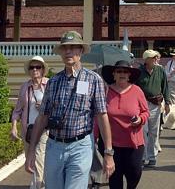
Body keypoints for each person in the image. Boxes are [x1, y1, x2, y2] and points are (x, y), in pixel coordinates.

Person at [26, 31, 114, 189]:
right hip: (54, 145)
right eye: (65, 48)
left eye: (73, 48)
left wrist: (108, 153)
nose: (68, 52)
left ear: (80, 51)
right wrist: (31, 150)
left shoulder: (94, 80)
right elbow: (42, 118)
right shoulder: (53, 82)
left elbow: (102, 116)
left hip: (80, 146)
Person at [101, 60, 149, 189]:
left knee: (135, 173)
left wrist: (140, 119)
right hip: (112, 144)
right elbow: (98, 117)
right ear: (114, 74)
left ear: (129, 75)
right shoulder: (105, 91)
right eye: (119, 71)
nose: (122, 74)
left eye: (125, 71)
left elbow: (146, 112)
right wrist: (94, 137)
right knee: (115, 178)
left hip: (134, 143)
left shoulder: (137, 91)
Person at [11, 55, 50, 189]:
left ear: (43, 69)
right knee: (30, 162)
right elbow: (17, 110)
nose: (34, 70)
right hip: (28, 130)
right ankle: (38, 184)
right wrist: (14, 127)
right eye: (32, 67)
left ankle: (38, 186)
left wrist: (46, 108)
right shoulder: (25, 87)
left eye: (37, 67)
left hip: (44, 130)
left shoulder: (50, 84)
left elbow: (57, 106)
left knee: (39, 159)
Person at [136, 49, 170, 167]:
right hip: (142, 104)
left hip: (156, 103)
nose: (156, 59)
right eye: (153, 57)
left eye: (156, 57)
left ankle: (152, 157)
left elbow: (165, 86)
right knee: (143, 131)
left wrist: (167, 103)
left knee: (153, 132)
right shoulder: (139, 71)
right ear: (147, 59)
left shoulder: (160, 70)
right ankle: (143, 156)